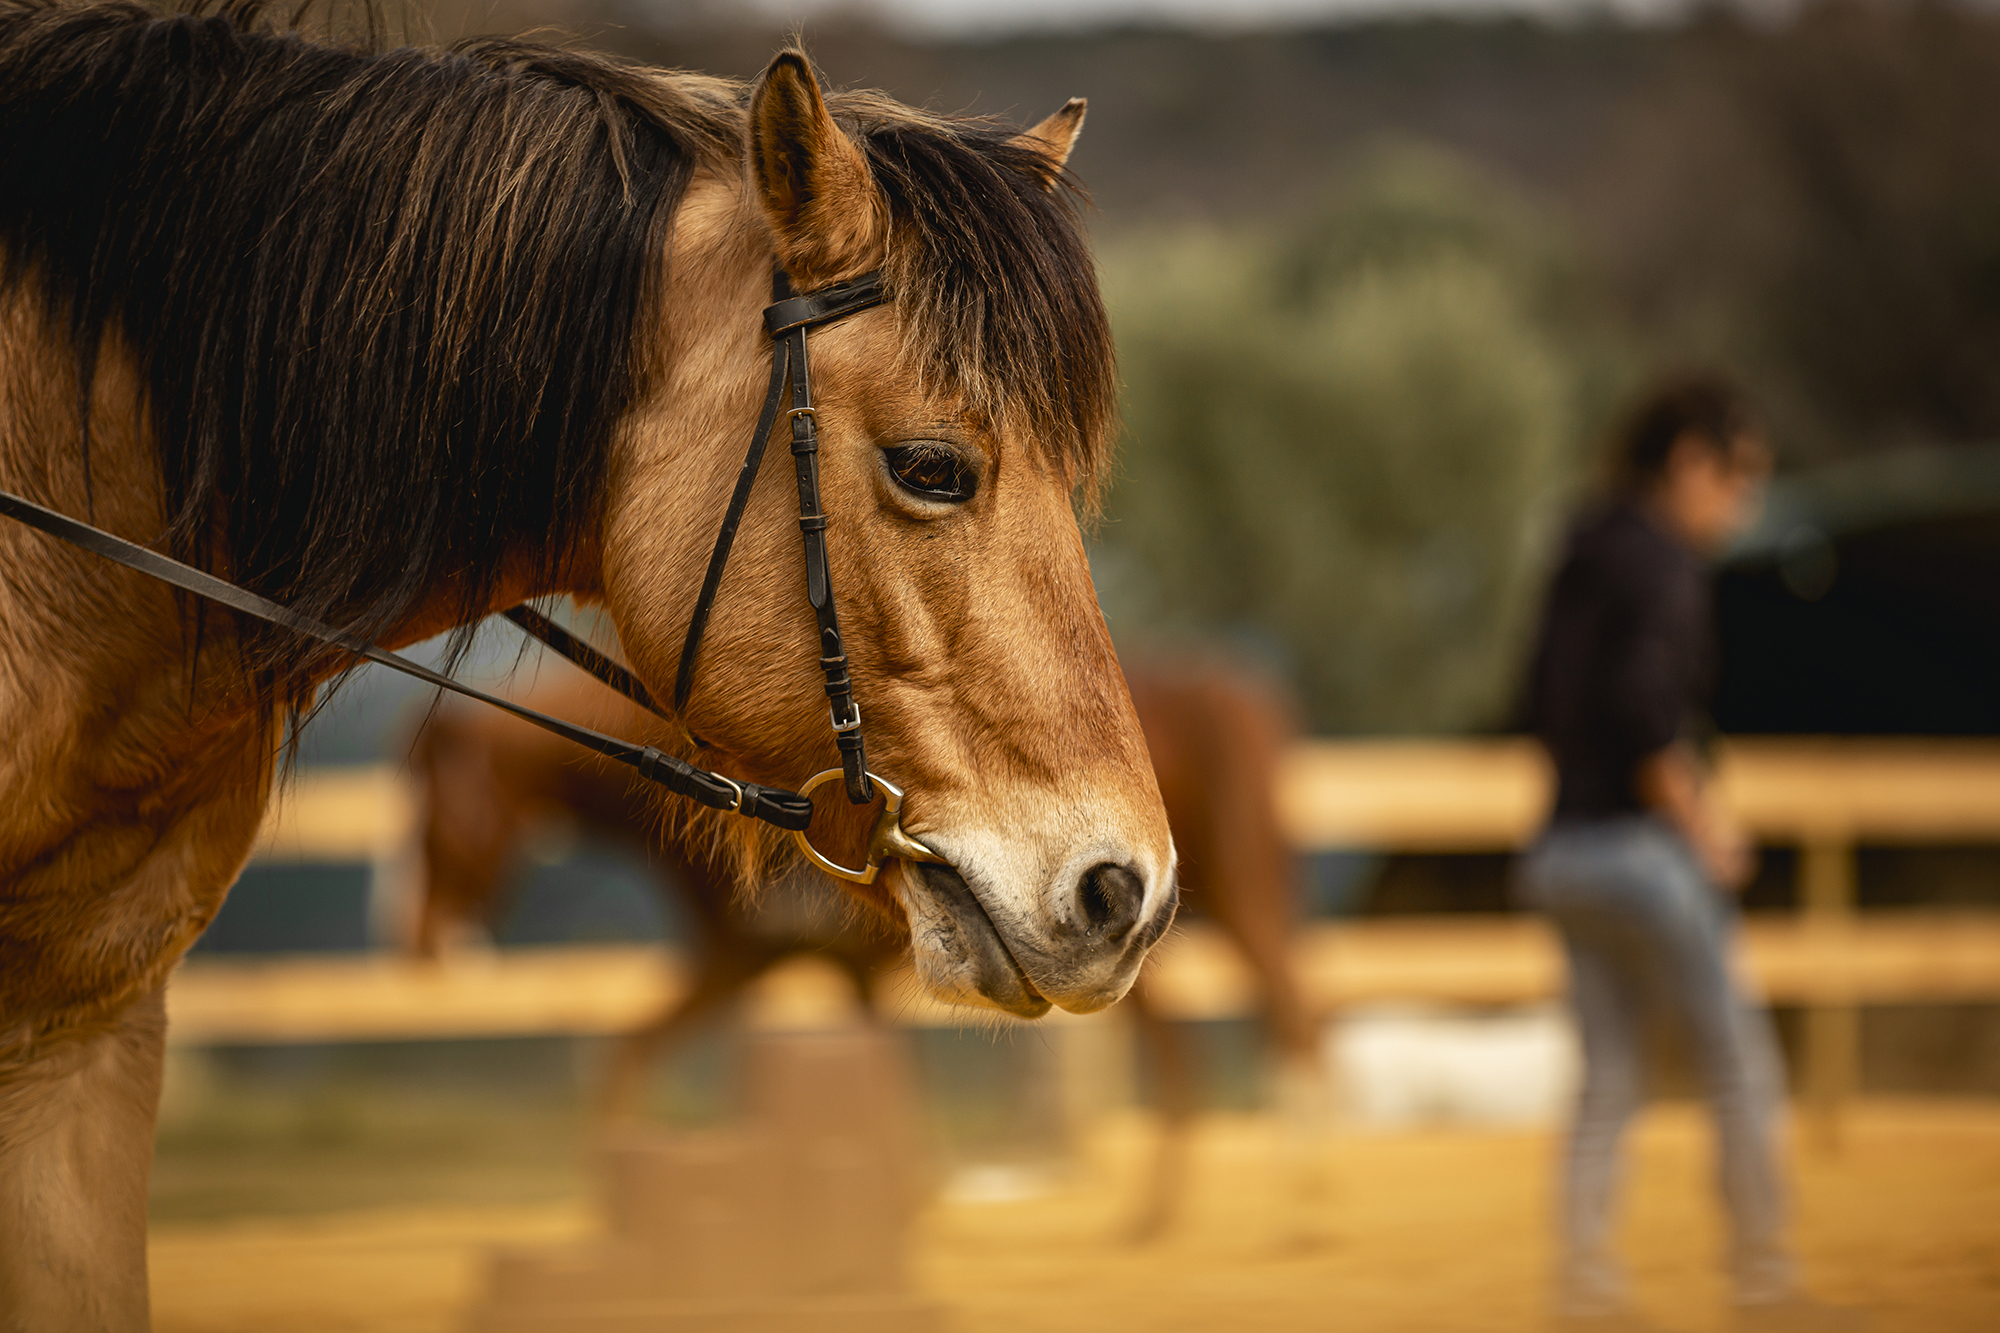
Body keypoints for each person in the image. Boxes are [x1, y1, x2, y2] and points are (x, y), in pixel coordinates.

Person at [1520, 376, 1855, 1332]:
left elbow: (1538, 699)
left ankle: (1583, 1282)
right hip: (1640, 854)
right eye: (1738, 476)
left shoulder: (1579, 549)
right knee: (1737, 1062)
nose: (1742, 503)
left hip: (1559, 853)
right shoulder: (1664, 566)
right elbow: (1645, 715)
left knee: (1609, 1073)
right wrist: (1708, 829)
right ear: (1690, 462)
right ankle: (1764, 1277)